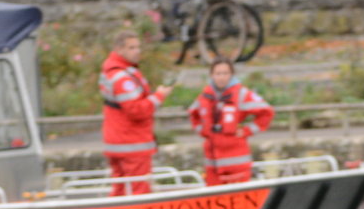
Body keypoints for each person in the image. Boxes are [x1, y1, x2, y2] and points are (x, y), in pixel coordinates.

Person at [100, 30, 172, 196]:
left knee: (119, 189)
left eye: (138, 47)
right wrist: (159, 96)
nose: (137, 51)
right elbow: (136, 111)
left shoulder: (112, 71)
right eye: (132, 48)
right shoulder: (123, 77)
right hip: (131, 142)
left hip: (117, 141)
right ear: (119, 49)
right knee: (140, 191)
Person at [188, 56, 274, 186]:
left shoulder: (241, 94)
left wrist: (246, 131)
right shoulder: (205, 96)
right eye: (218, 73)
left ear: (231, 74)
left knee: (239, 201)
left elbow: (266, 113)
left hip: (236, 162)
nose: (221, 77)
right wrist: (204, 131)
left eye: (225, 73)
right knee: (214, 200)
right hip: (213, 164)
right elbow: (193, 115)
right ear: (212, 75)